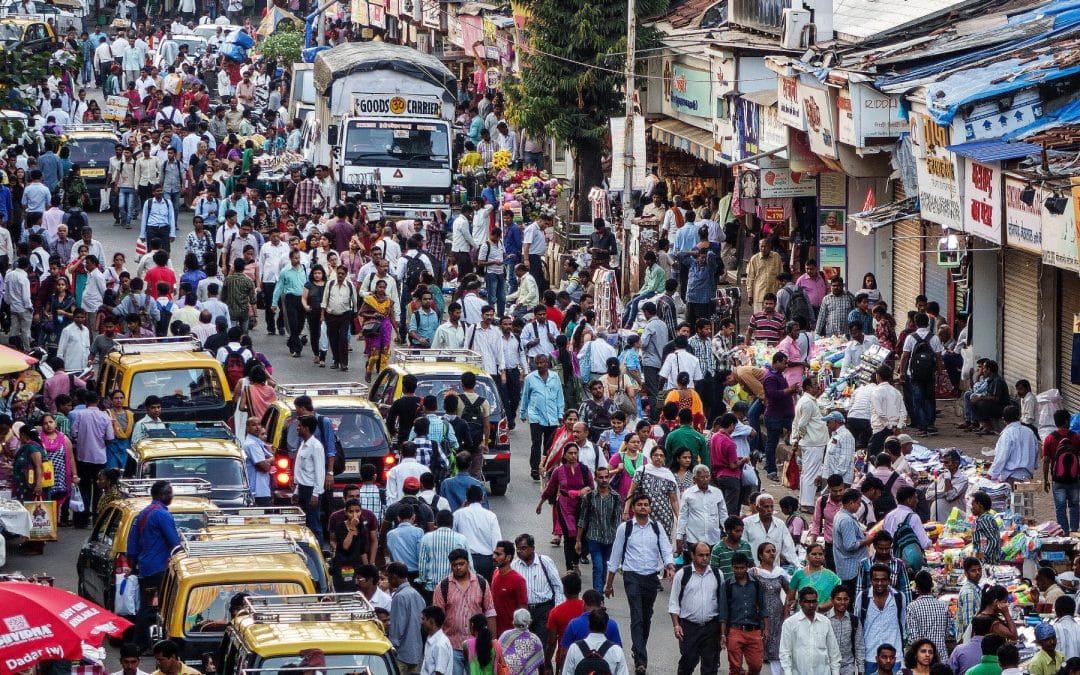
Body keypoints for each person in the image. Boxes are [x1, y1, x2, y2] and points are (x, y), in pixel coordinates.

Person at [606, 492, 675, 673]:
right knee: (636, 615)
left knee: (646, 616)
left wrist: (670, 566)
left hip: (651, 577)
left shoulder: (657, 527)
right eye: (640, 505)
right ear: (634, 508)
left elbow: (666, 549)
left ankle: (638, 649)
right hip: (632, 576)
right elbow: (615, 556)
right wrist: (609, 583)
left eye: (646, 504)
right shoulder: (625, 528)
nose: (643, 507)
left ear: (650, 508)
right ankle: (641, 661)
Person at [127, 480, 181, 652]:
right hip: (159, 569)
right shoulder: (162, 515)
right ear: (161, 495)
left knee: (147, 606)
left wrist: (134, 562)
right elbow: (174, 542)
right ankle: (143, 644)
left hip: (146, 567)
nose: (171, 496)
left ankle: (142, 643)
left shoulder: (142, 514)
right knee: (154, 607)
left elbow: (132, 544)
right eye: (169, 493)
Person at [433, 548, 497, 675]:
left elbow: (490, 613)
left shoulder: (481, 583)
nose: (458, 567)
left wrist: (493, 640)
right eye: (455, 565)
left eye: (461, 564)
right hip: (452, 646)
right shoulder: (443, 586)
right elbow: (436, 619)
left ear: (467, 563)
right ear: (450, 565)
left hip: (477, 645)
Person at [538, 443, 591, 574]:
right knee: (569, 536)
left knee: (581, 536)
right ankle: (569, 567)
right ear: (565, 455)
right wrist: (540, 503)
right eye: (570, 453)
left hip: (581, 506)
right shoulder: (559, 471)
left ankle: (576, 561)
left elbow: (591, 485)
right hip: (564, 506)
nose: (573, 456)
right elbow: (550, 489)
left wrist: (584, 490)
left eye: (575, 453)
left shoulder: (584, 469)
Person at [510, 533, 565, 648]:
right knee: (524, 645)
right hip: (524, 611)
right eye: (518, 549)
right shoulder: (514, 566)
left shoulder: (545, 562)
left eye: (523, 548)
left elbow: (558, 587)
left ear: (532, 548)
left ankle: (543, 665)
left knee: (541, 644)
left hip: (544, 610)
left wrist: (556, 611)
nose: (520, 551)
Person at [575, 465, 623, 591]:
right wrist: (578, 540)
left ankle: (599, 592)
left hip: (610, 538)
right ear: (596, 479)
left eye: (606, 477)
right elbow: (583, 519)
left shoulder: (616, 497)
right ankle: (599, 597)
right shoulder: (589, 497)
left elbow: (618, 521)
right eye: (601, 477)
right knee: (598, 567)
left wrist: (620, 542)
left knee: (605, 567)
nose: (604, 480)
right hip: (594, 538)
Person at [853, 564, 906, 675]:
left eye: (883, 580)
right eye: (876, 580)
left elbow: (903, 622)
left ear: (889, 580)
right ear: (871, 580)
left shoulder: (899, 597)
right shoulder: (863, 597)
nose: (880, 583)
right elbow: (857, 625)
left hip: (894, 656)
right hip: (870, 655)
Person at [779, 587, 841, 675]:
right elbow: (785, 652)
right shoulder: (790, 623)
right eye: (807, 601)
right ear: (800, 603)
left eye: (814, 601)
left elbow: (833, 652)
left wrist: (835, 672)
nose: (811, 605)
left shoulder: (825, 622)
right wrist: (788, 672)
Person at [521, 354, 564, 481]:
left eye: (542, 363)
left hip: (552, 417)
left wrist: (560, 414)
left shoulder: (555, 377)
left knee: (549, 444)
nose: (540, 365)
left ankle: (546, 467)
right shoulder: (530, 378)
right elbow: (525, 396)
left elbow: (559, 397)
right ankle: (534, 468)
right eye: (538, 363)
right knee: (536, 443)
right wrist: (523, 413)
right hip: (536, 416)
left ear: (547, 363)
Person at [792, 377, 830, 509]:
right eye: (814, 385)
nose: (817, 387)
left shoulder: (806, 401)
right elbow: (802, 424)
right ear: (808, 387)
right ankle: (807, 503)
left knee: (807, 472)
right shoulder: (807, 402)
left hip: (811, 442)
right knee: (811, 473)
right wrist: (800, 436)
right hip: (812, 443)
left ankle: (804, 501)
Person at [675, 465, 726, 557]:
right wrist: (679, 536)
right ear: (695, 479)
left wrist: (727, 530)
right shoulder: (688, 494)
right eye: (702, 477)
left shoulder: (717, 493)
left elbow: (723, 514)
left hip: (713, 538)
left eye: (707, 477)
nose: (705, 480)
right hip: (694, 539)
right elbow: (683, 516)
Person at [454, 484, 503, 579]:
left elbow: (453, 535)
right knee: (485, 590)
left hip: (465, 559)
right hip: (486, 561)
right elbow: (497, 541)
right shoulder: (490, 516)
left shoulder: (458, 514)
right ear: (482, 498)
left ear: (467, 498)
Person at [1043, 409, 1080, 532]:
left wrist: (1045, 480)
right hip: (1074, 479)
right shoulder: (1075, 437)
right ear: (1065, 422)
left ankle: (1064, 533)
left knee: (1060, 507)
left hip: (1057, 480)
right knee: (1074, 505)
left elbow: (1046, 461)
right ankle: (1074, 532)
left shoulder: (1049, 438)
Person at [561, 609, 628, 675]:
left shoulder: (574, 648)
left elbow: (567, 672)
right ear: (606, 627)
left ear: (589, 625)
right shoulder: (616, 650)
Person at [388, 561, 426, 674]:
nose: (388, 581)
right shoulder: (417, 595)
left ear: (394, 577)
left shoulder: (399, 597)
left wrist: (392, 648)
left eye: (389, 577)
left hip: (401, 655)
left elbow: (397, 628)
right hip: (416, 652)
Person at [294, 416, 326, 546]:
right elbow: (301, 470)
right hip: (302, 488)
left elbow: (320, 471)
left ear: (306, 428)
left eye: (300, 426)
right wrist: (297, 490)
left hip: (311, 489)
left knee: (314, 524)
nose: (297, 428)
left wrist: (316, 493)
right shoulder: (303, 444)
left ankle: (320, 552)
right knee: (303, 523)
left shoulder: (316, 446)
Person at [988, 405, 1040, 484]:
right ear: (1019, 417)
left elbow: (1002, 457)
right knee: (1025, 496)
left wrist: (991, 474)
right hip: (1027, 477)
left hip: (1011, 477)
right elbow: (1036, 451)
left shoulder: (1007, 434)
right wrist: (1033, 466)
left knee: (1012, 496)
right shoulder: (1029, 432)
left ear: (1004, 419)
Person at [905, 571, 950, 662]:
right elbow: (946, 633)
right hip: (941, 658)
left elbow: (913, 638)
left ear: (917, 587)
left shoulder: (912, 607)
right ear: (932, 585)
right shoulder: (943, 605)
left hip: (922, 660)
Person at [744, 493, 798, 566]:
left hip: (774, 571)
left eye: (771, 507)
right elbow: (743, 547)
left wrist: (798, 567)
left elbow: (789, 548)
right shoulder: (747, 523)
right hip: (753, 570)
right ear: (757, 508)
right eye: (766, 507)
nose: (769, 510)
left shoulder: (780, 524)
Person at [827, 586, 864, 675]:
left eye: (845, 599)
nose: (842, 602)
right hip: (828, 667)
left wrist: (861, 668)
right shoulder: (825, 620)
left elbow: (859, 645)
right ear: (832, 600)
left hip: (848, 667)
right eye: (838, 599)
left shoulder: (854, 620)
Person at [498, 609, 545, 675]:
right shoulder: (535, 640)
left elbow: (497, 653)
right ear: (529, 622)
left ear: (514, 621)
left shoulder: (506, 635)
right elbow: (541, 666)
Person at [241, 417, 273, 506]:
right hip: (258, 490)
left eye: (259, 424)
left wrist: (267, 461)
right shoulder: (251, 444)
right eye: (254, 425)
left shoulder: (257, 442)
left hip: (263, 488)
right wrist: (268, 463)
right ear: (247, 428)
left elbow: (273, 459)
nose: (257, 427)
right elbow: (266, 467)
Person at [421, 606, 455, 675]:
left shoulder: (440, 644)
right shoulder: (431, 639)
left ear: (432, 621)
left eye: (423, 619)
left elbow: (440, 672)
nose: (421, 622)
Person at [970, 491, 1002, 564]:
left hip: (988, 563)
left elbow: (992, 541)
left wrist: (983, 559)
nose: (971, 508)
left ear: (980, 505)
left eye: (973, 505)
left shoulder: (984, 519)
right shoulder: (983, 519)